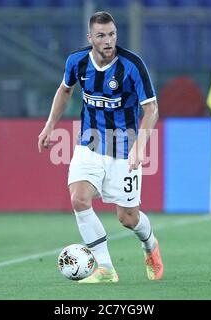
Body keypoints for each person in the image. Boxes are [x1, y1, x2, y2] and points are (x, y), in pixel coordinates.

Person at [38, 11, 163, 283]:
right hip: (89, 143)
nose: (108, 41)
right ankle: (105, 269)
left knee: (128, 218)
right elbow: (65, 90)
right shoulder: (77, 62)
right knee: (78, 199)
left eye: (112, 35)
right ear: (90, 37)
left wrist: (140, 147)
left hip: (125, 148)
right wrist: (50, 125)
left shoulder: (132, 65)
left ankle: (150, 245)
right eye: (101, 36)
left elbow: (151, 109)